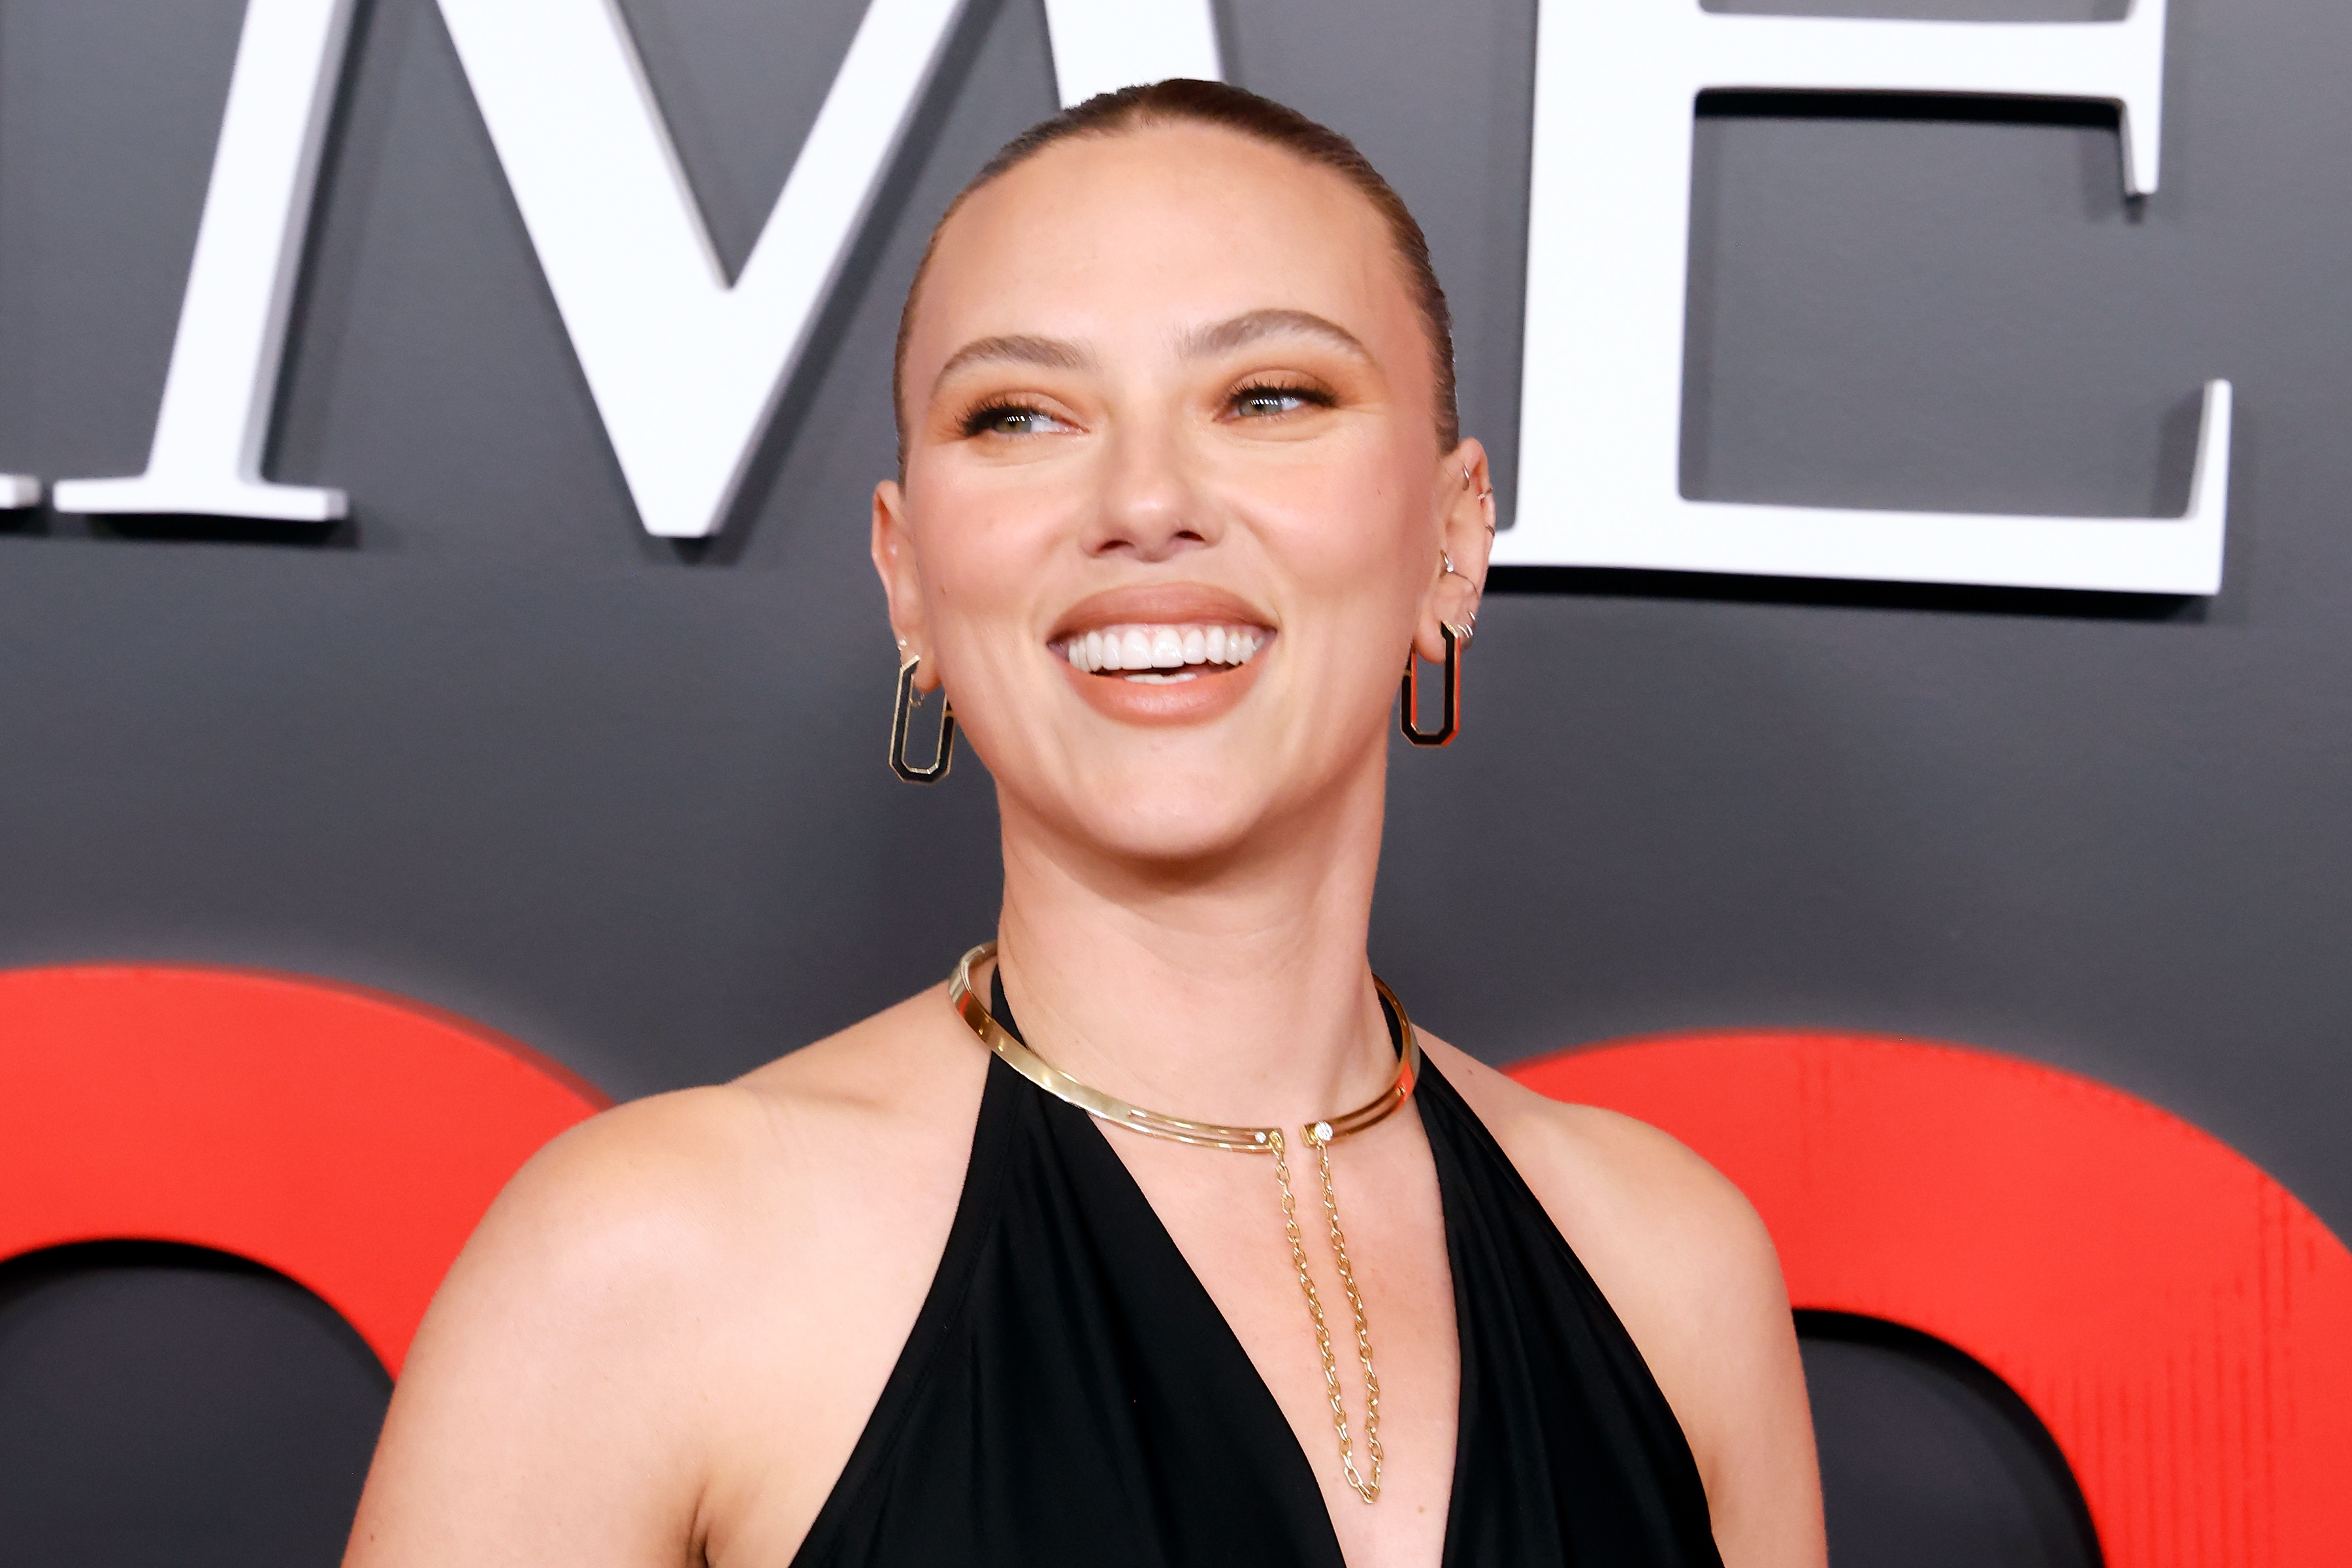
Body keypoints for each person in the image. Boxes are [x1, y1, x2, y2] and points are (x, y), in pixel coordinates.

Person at [344, 80, 1825, 1568]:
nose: (1144, 499)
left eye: (1268, 396)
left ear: (1451, 539)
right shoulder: (649, 1262)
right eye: (1022, 414)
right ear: (909, 575)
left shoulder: (1671, 1265)